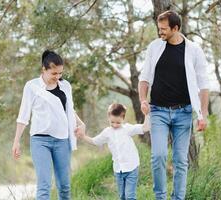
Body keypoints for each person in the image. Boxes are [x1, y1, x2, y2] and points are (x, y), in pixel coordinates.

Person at [138, 10, 209, 200]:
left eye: (163, 29)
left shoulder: (194, 50)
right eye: (158, 28)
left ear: (175, 28)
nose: (160, 32)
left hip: (183, 112)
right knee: (158, 156)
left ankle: (178, 197)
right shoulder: (154, 47)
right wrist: (143, 100)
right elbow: (144, 78)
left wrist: (203, 115)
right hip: (158, 111)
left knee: (180, 160)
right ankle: (160, 197)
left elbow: (203, 85)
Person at [12, 50, 85, 200]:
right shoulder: (32, 86)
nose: (57, 77)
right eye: (53, 73)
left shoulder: (65, 86)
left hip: (62, 140)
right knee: (44, 186)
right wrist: (16, 142)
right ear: (43, 70)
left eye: (60, 73)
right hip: (40, 140)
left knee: (64, 187)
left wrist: (80, 123)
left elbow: (68, 109)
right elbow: (23, 116)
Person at [75, 103, 150, 200]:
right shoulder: (107, 132)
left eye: (118, 122)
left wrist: (147, 114)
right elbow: (95, 141)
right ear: (108, 117)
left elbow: (145, 127)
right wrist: (83, 136)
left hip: (131, 168)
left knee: (130, 196)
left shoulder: (127, 129)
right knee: (122, 196)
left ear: (123, 118)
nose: (115, 125)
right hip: (118, 170)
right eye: (112, 122)